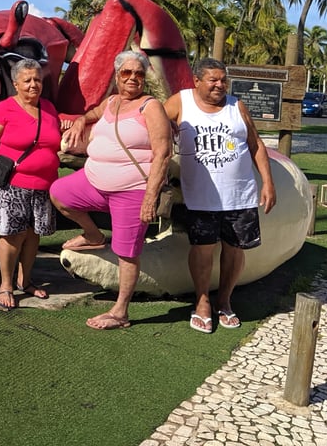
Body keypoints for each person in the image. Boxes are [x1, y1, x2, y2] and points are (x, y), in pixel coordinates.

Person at [50, 50, 172, 330]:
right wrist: (81, 120)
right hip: (94, 182)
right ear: (117, 76)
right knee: (59, 193)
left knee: (126, 252)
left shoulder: (150, 107)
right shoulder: (112, 101)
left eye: (139, 73)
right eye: (127, 72)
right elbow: (94, 112)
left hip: (132, 190)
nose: (132, 78)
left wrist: (150, 197)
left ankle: (120, 312)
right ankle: (93, 235)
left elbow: (163, 153)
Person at [163, 57, 276, 334]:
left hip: (240, 194)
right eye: (213, 79)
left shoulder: (237, 106)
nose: (219, 85)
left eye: (223, 80)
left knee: (235, 250)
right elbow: (153, 126)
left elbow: (255, 144)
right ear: (197, 80)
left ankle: (224, 300)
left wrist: (268, 182)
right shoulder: (181, 102)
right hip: (200, 196)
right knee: (202, 249)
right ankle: (202, 301)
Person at [0, 57, 62, 311]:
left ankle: (25, 281)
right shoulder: (5, 109)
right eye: (27, 80)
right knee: (12, 235)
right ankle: (5, 284)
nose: (33, 85)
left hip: (44, 186)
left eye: (37, 79)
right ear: (16, 84)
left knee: (33, 234)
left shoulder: (49, 108)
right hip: (13, 185)